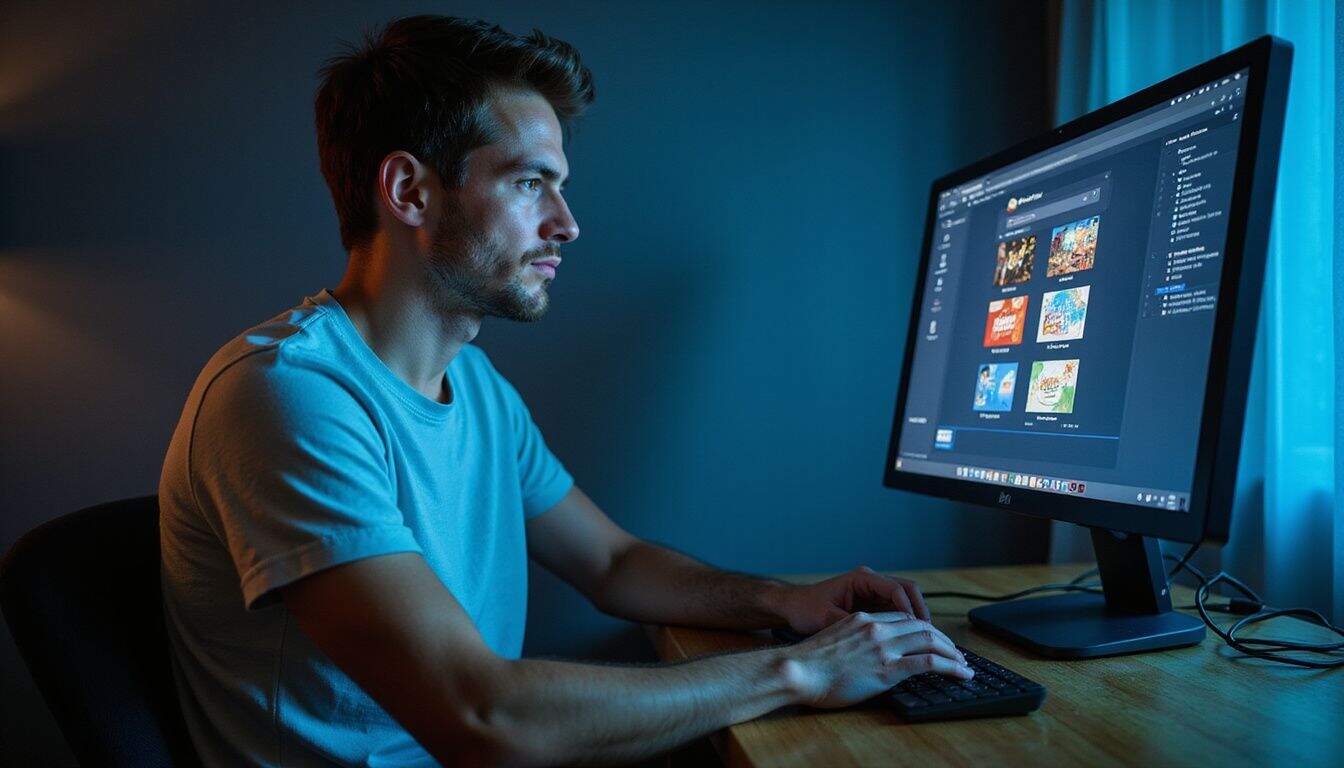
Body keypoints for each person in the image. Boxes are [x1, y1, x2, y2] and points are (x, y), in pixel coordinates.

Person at [158, 15, 972, 767]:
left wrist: (787, 601)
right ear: (409, 191)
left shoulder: (472, 384)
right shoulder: (289, 396)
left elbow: (613, 564)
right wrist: (800, 671)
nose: (566, 223)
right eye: (527, 183)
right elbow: (481, 717)